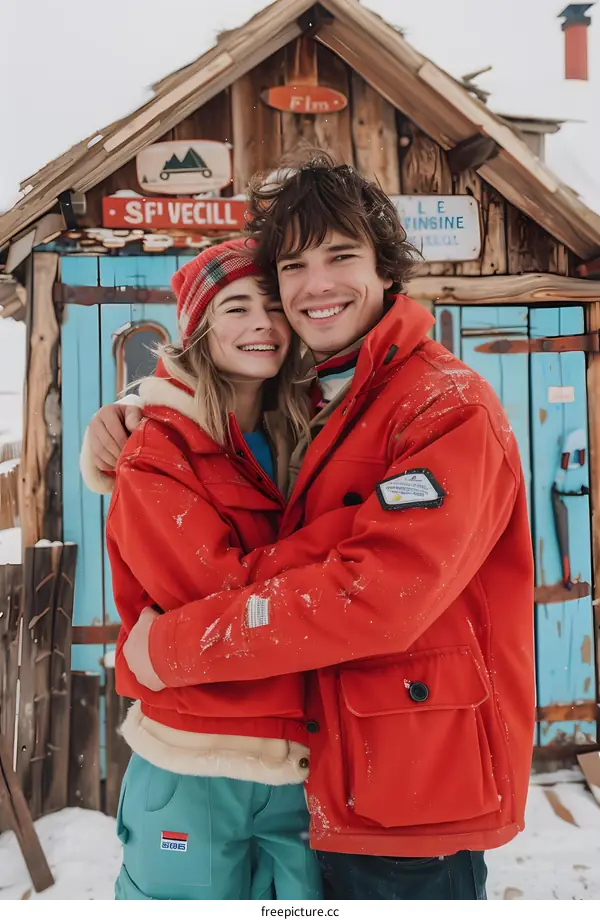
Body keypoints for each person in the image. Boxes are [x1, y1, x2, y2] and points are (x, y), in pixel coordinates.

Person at [85, 154, 535, 901]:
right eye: (292, 266)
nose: (313, 287)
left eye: (342, 256)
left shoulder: (441, 402)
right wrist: (143, 407)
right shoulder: (324, 399)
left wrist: (165, 645)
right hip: (327, 775)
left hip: (414, 784)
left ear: (386, 268)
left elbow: (378, 595)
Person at [94, 238, 326, 900]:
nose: (262, 323)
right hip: (196, 754)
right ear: (198, 329)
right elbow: (218, 594)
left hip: (303, 756)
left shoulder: (310, 436)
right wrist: (343, 556)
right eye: (236, 307)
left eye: (274, 305)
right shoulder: (157, 451)